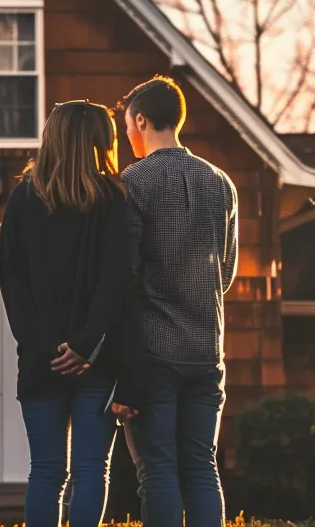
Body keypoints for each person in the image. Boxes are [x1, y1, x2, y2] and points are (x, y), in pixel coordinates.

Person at [0, 100, 138, 527]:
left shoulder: (23, 197)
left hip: (41, 361)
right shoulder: (113, 198)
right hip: (98, 360)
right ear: (101, 140)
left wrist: (44, 345)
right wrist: (85, 344)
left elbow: (12, 281)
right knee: (91, 470)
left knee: (46, 470)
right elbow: (117, 280)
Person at [112, 76, 238, 527]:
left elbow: (124, 275)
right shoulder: (220, 183)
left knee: (159, 471)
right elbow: (224, 273)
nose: (128, 135)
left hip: (153, 354)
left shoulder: (133, 183)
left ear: (141, 120)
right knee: (202, 469)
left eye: (127, 124)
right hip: (208, 351)